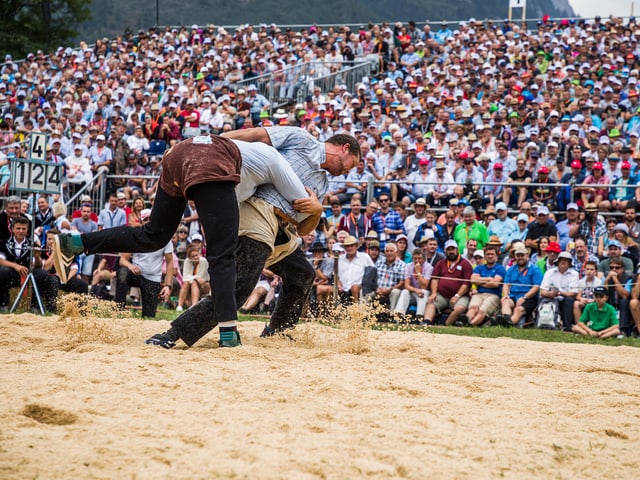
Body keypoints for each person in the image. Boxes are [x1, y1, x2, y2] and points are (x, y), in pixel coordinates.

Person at [114, 209, 175, 318]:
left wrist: (168, 285)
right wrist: (130, 265)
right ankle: (119, 310)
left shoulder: (165, 237)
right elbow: (122, 260)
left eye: (150, 219)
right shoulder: (135, 235)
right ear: (141, 222)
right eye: (145, 219)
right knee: (123, 272)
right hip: (137, 275)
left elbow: (170, 262)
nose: (148, 222)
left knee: (149, 317)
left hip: (153, 279)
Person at [423, 239, 473, 326]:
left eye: (453, 249)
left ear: (457, 250)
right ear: (445, 251)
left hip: (460, 295)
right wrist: (434, 293)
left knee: (460, 308)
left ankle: (446, 324)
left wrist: (457, 296)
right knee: (431, 303)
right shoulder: (441, 263)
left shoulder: (465, 264)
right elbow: (435, 279)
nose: (451, 252)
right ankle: (427, 322)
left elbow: (466, 283)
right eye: (449, 249)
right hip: (442, 295)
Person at [497, 244, 543, 327]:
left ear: (527, 256)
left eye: (522, 255)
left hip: (530, 298)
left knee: (518, 309)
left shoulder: (534, 269)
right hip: (513, 296)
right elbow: (506, 284)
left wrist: (524, 297)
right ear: (515, 257)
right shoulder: (511, 269)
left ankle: (506, 325)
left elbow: (536, 286)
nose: (520, 257)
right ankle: (507, 321)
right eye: (518, 255)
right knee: (505, 302)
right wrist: (506, 295)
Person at [466, 244, 506, 326]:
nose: (490, 256)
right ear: (484, 256)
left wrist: (479, 281)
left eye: (492, 254)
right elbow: (473, 279)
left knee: (482, 311)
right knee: (473, 308)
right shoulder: (479, 267)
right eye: (488, 254)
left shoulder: (500, 268)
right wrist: (489, 279)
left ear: (496, 256)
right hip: (479, 294)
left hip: (493, 295)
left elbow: (495, 284)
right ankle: (465, 322)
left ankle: (470, 325)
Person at [538, 251, 579, 331]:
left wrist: (560, 293)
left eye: (566, 260)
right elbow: (543, 291)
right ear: (558, 261)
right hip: (551, 297)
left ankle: (567, 327)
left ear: (570, 263)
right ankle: (544, 324)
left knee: (569, 300)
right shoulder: (549, 272)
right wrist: (550, 294)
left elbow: (573, 292)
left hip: (565, 298)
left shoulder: (574, 274)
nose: (563, 262)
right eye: (561, 260)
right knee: (543, 299)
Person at [394, 248, 432, 322]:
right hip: (413, 291)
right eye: (415, 259)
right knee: (405, 292)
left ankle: (419, 317)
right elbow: (406, 285)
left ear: (424, 259)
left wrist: (418, 272)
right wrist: (415, 290)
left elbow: (424, 286)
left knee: (423, 292)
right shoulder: (408, 266)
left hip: (424, 293)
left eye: (419, 258)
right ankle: (399, 316)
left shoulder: (428, 267)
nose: (417, 261)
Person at [337, 235, 374, 302]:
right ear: (345, 248)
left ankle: (355, 310)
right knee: (324, 289)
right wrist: (339, 284)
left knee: (354, 287)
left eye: (352, 246)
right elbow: (336, 275)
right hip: (342, 288)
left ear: (356, 246)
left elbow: (373, 272)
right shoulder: (340, 258)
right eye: (347, 246)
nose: (349, 248)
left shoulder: (364, 257)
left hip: (360, 287)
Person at [176, 245, 210, 312]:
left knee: (194, 282)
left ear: (199, 254)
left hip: (205, 284)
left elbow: (203, 279)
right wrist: (195, 277)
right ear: (189, 257)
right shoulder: (187, 261)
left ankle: (194, 306)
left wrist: (195, 278)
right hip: (192, 284)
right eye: (193, 256)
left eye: (196, 255)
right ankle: (179, 306)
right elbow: (185, 277)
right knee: (187, 283)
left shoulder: (204, 261)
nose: (195, 257)